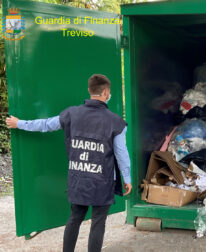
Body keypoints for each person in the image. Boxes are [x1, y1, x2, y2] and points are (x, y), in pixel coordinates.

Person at [6, 74, 132, 252]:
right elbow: (122, 154)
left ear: (90, 91)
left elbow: (46, 125)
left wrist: (19, 124)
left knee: (75, 218)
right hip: (103, 181)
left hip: (78, 178)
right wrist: (127, 177)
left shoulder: (71, 114)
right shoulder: (116, 122)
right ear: (105, 93)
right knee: (98, 222)